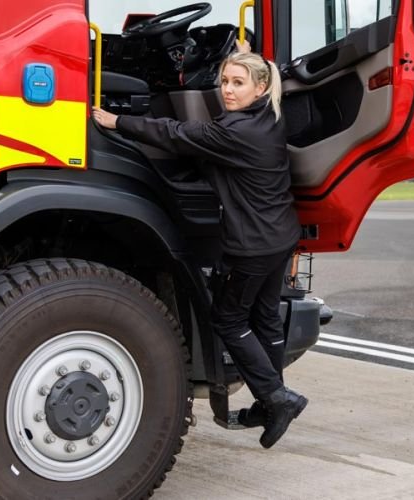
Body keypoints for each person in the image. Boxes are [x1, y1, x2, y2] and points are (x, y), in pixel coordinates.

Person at [92, 41, 307, 449]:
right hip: (280, 236)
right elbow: (263, 76)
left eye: (238, 83)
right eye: (224, 81)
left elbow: (176, 132)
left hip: (253, 245)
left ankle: (279, 399)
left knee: (228, 319)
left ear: (260, 88)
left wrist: (117, 121)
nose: (227, 90)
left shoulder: (235, 131)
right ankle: (268, 402)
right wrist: (247, 51)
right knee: (264, 319)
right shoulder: (271, 116)